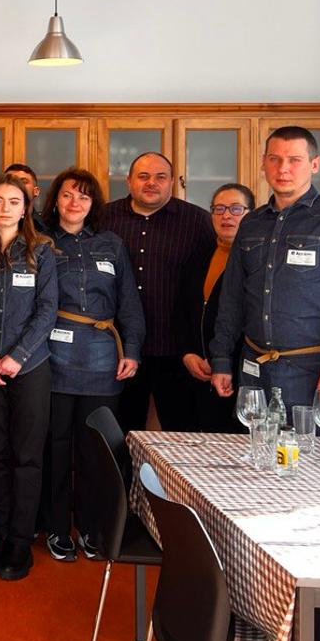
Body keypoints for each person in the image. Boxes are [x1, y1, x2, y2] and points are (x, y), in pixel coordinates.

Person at [210, 126, 320, 426]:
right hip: (254, 369)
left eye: (294, 159)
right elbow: (232, 297)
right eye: (274, 159)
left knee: (318, 467)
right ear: (263, 163)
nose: (283, 168)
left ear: (315, 164)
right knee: (258, 460)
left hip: (314, 371)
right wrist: (220, 359)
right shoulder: (251, 224)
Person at [37, 168, 143, 562]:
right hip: (54, 357)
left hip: (103, 359)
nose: (75, 203)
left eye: (83, 196)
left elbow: (129, 302)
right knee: (56, 447)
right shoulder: (43, 243)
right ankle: (57, 527)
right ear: (55, 200)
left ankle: (93, 527)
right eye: (67, 195)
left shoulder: (111, 244)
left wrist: (131, 348)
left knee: (96, 451)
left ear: (93, 204)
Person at [0, 174, 57, 582]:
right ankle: (3, 534)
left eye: (14, 201)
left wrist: (15, 358)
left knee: (26, 457)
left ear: (26, 208)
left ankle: (21, 542)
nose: (5, 207)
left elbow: (47, 311)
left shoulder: (42, 252)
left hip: (30, 369)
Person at [99, 152, 215, 434]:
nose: (152, 183)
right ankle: (124, 481)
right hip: (116, 349)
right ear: (128, 181)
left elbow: (213, 286)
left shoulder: (198, 222)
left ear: (172, 182)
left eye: (160, 176)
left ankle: (174, 481)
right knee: (120, 433)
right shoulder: (103, 218)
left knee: (182, 433)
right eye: (143, 176)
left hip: (176, 349)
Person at [175, 183, 255, 433]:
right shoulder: (199, 256)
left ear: (251, 214)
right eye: (219, 209)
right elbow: (182, 311)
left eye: (235, 208)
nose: (226, 216)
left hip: (238, 374)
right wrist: (187, 353)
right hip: (197, 370)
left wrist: (222, 362)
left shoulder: (257, 261)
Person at [4, 163, 49, 235]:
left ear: (36, 191)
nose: (17, 185)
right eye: (11, 182)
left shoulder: (48, 226)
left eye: (23, 182)